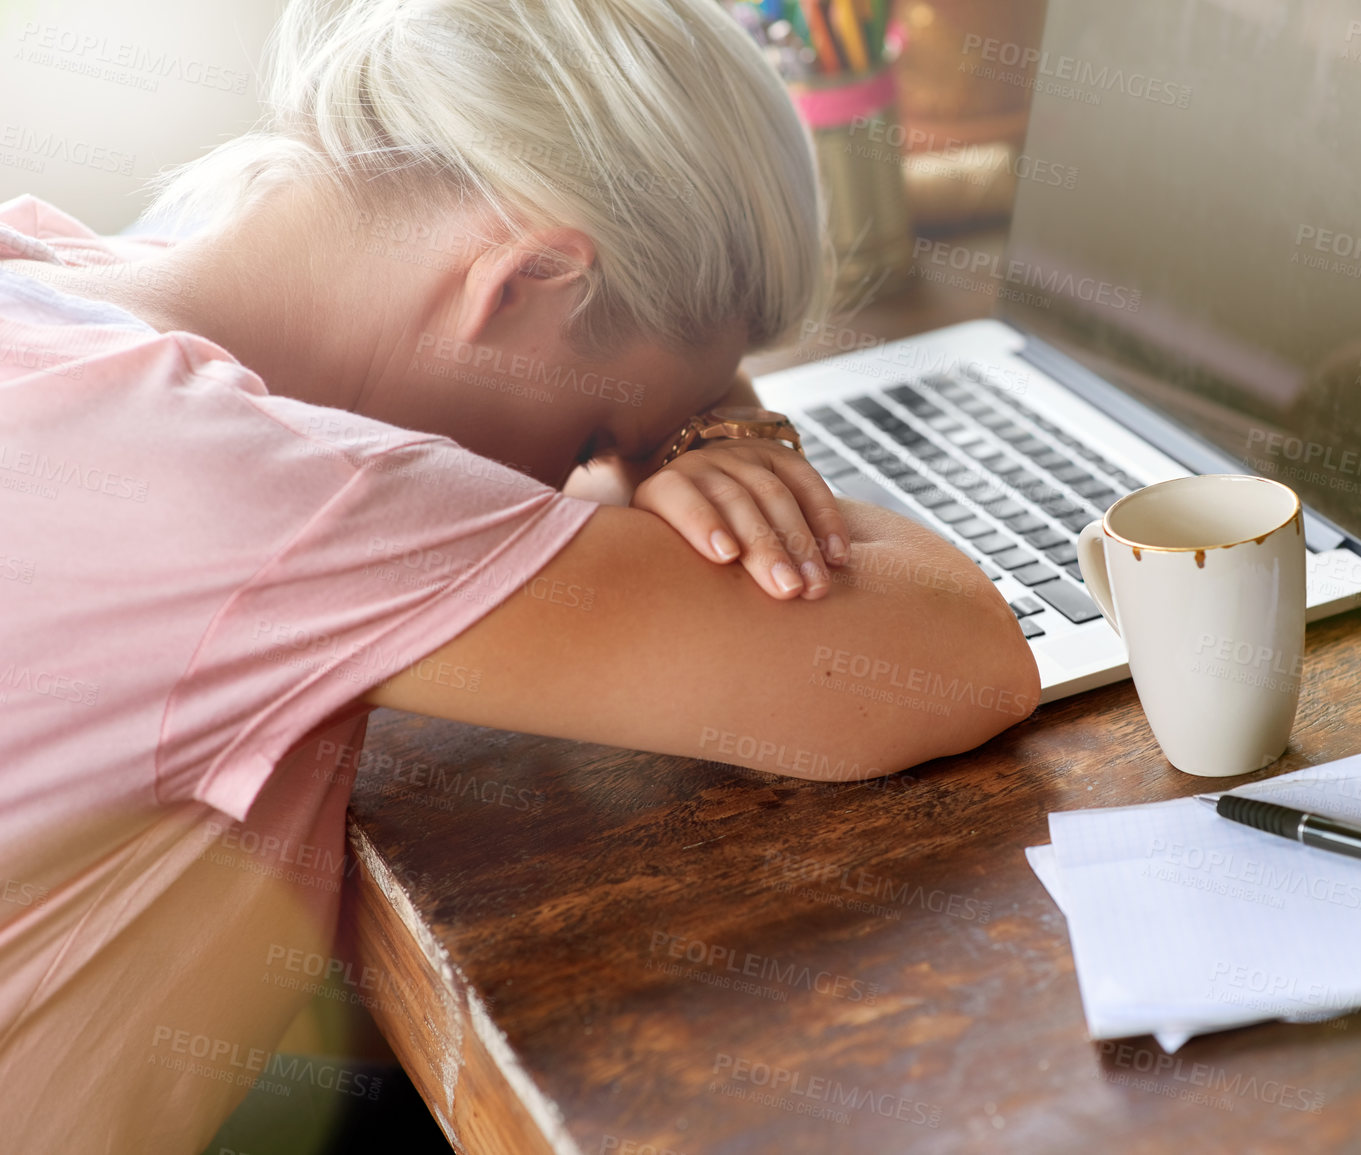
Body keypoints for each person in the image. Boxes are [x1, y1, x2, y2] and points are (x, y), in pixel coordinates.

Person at [0, 0, 1037, 1149]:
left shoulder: (57, 262)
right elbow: (952, 659)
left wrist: (688, 417)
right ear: (526, 274)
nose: (597, 476)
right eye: (604, 431)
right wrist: (735, 441)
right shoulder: (271, 495)